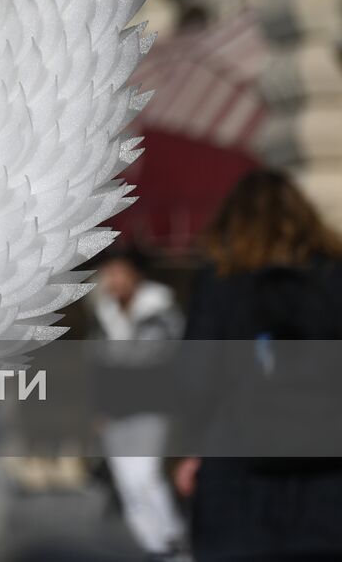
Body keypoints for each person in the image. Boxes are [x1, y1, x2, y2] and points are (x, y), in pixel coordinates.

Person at [174, 169, 342, 561]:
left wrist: (192, 451)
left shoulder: (221, 281)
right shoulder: (335, 277)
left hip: (237, 482)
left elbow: (194, 381)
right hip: (328, 486)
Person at [89, 245, 188, 561]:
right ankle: (151, 545)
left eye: (119, 272)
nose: (113, 280)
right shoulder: (105, 314)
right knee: (127, 482)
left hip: (151, 410)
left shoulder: (160, 312)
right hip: (115, 414)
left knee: (146, 477)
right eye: (109, 274)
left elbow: (150, 361)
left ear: (136, 274)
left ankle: (171, 540)